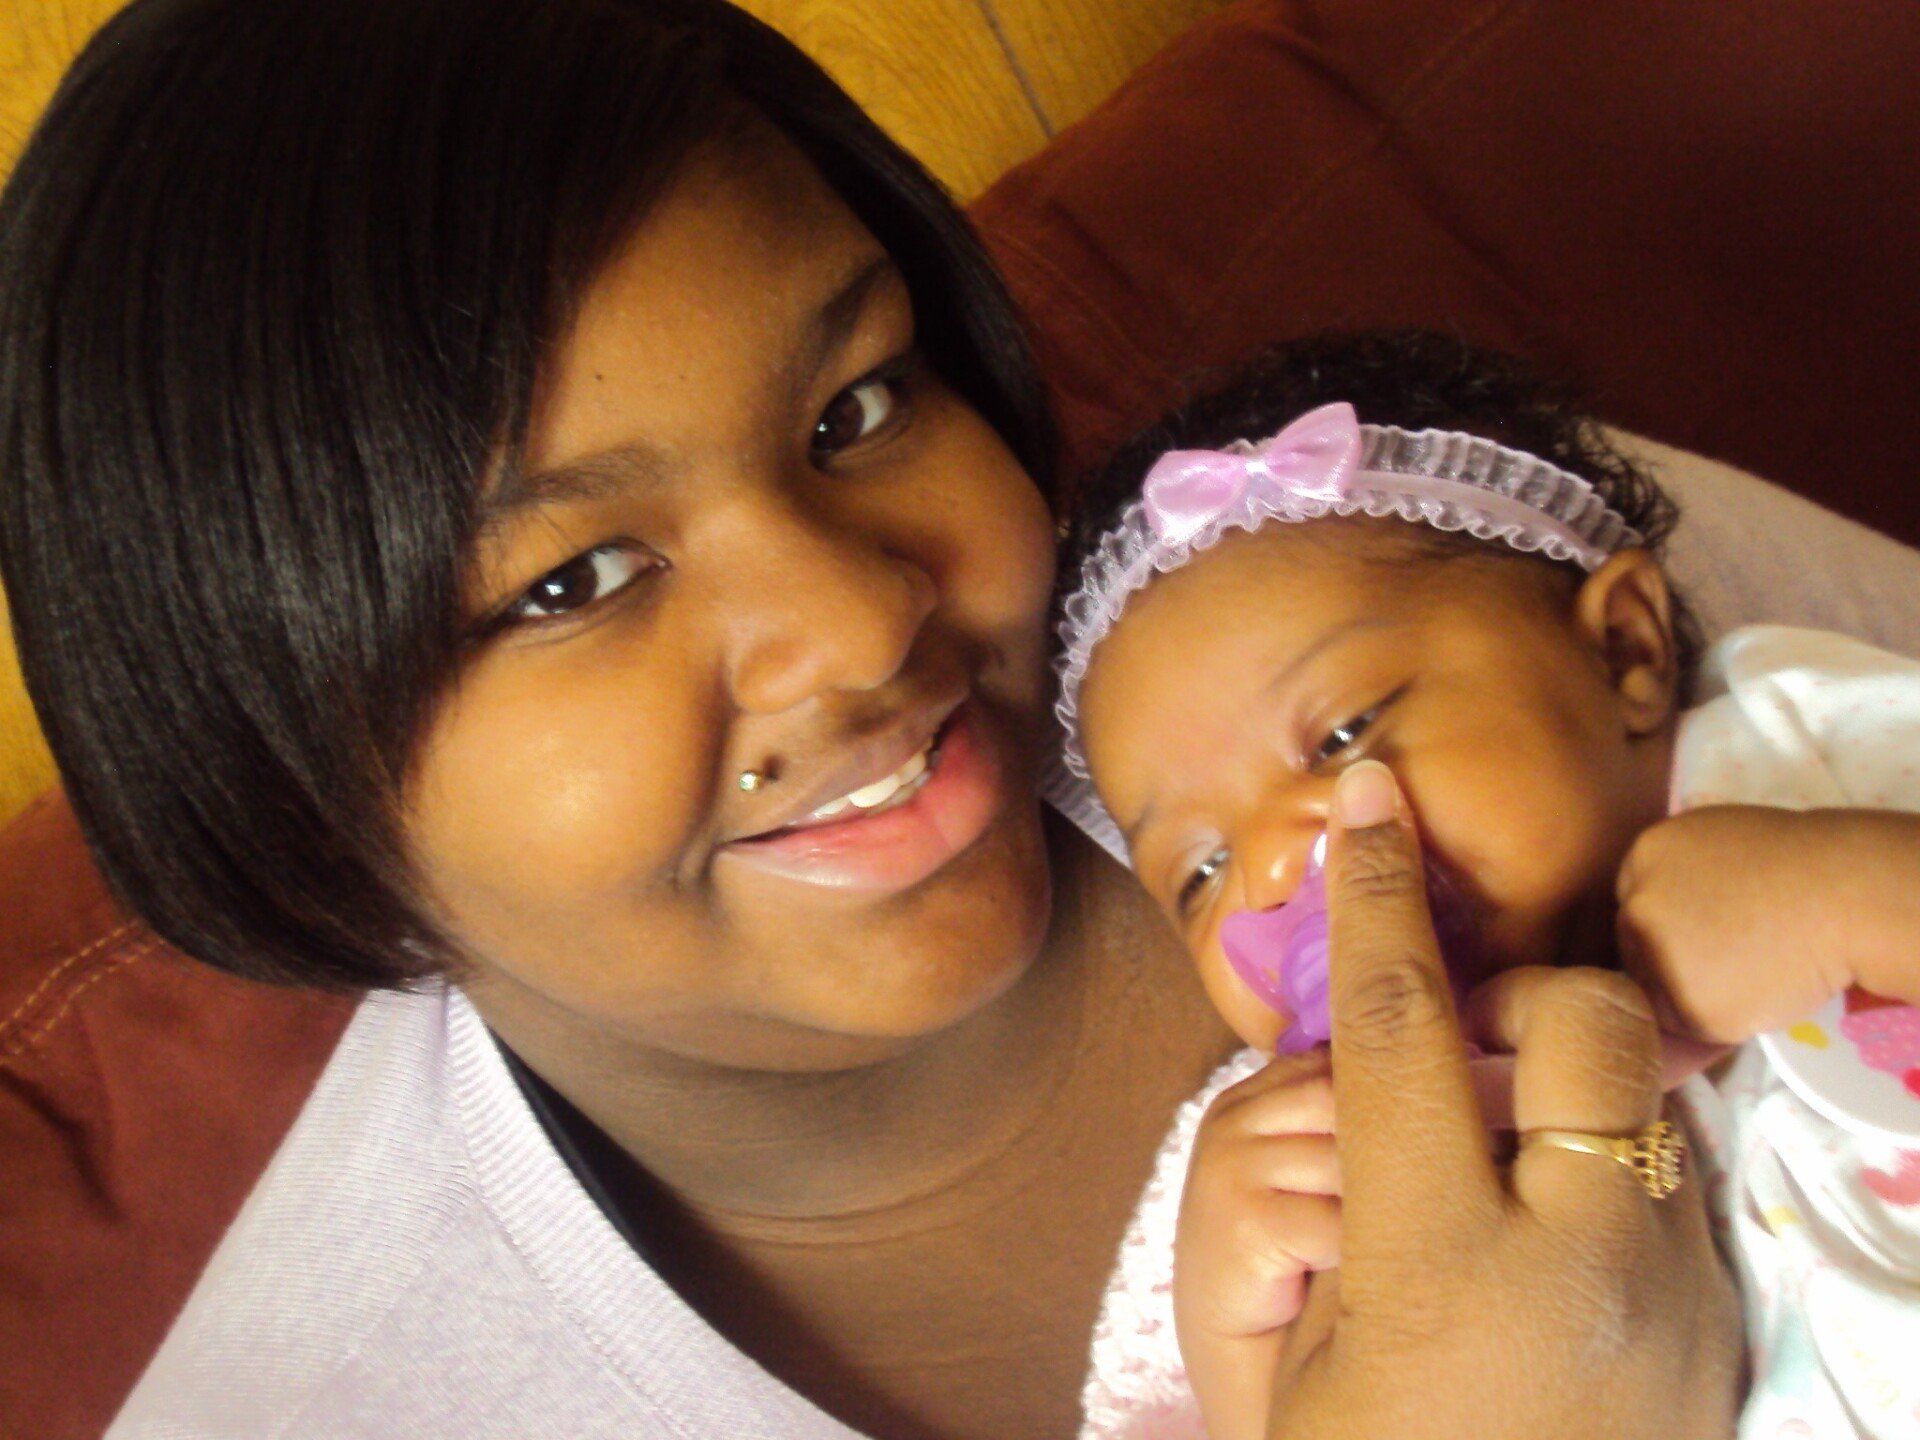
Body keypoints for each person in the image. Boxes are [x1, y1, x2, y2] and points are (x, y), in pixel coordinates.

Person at [7, 0, 1903, 1433]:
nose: (859, 621)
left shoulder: (1391, 591)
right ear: (282, 799)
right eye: (569, 584)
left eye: (856, 409)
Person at [1054, 332, 1920, 1439]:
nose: (1276, 868)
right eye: (1200, 872)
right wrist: (1231, 1336)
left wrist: (1850, 896)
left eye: (1342, 735)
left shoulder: (1807, 756)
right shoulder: (1317, 1150)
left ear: (1625, 652)